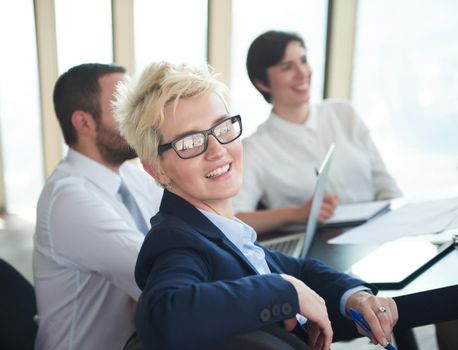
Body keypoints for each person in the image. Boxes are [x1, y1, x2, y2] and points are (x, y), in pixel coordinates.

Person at [114, 61, 400, 350]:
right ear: (157, 171)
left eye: (222, 127)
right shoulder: (175, 241)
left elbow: (296, 269)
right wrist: (282, 290)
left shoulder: (220, 229)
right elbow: (162, 316)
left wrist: (354, 296)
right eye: (189, 143)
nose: (217, 150)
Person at [33, 63, 163, 350]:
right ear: (84, 123)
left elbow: (190, 225)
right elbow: (158, 274)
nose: (138, 118)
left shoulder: (129, 175)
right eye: (122, 106)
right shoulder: (69, 200)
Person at [233, 30, 402, 234]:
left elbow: (385, 184)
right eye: (287, 67)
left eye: (303, 61)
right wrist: (295, 213)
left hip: (377, 233)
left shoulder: (343, 113)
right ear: (262, 83)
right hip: (319, 252)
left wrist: (400, 227)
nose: (302, 72)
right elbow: (234, 218)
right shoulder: (255, 148)